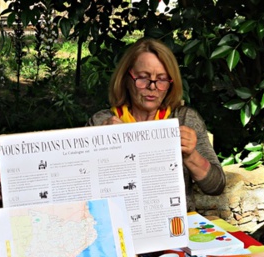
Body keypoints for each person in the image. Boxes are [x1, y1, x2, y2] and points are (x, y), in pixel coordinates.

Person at [87, 38, 225, 212]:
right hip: (118, 225)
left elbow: (216, 186)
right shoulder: (102, 123)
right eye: (143, 78)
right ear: (126, 79)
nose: (152, 87)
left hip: (174, 226)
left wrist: (191, 156)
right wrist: (98, 150)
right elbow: (80, 187)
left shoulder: (183, 119)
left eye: (162, 79)